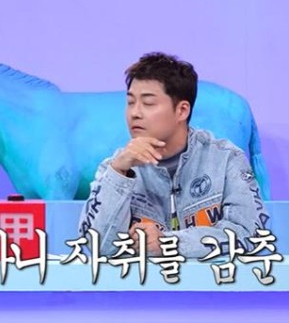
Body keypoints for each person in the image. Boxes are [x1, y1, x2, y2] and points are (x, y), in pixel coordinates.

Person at [78, 52, 269, 258]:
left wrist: (170, 243)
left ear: (182, 111)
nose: (135, 113)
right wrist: (119, 174)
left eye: (148, 103)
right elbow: (97, 246)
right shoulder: (115, 168)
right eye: (131, 102)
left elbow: (250, 234)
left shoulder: (226, 160)